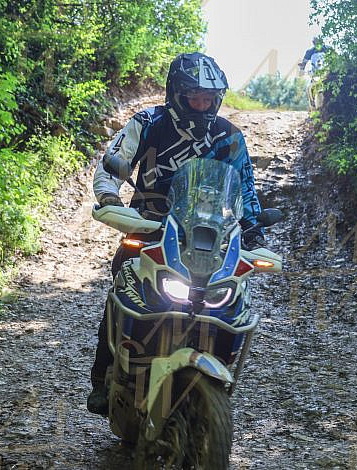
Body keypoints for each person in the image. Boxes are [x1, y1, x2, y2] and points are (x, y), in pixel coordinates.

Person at [87, 52, 266, 415]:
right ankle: (105, 375)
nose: (202, 105)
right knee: (123, 286)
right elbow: (113, 162)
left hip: (210, 240)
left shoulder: (229, 137)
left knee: (233, 298)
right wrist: (109, 197)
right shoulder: (148, 122)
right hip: (149, 230)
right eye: (194, 97)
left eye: (209, 98)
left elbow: (245, 189)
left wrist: (253, 228)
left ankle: (216, 372)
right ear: (176, 94)